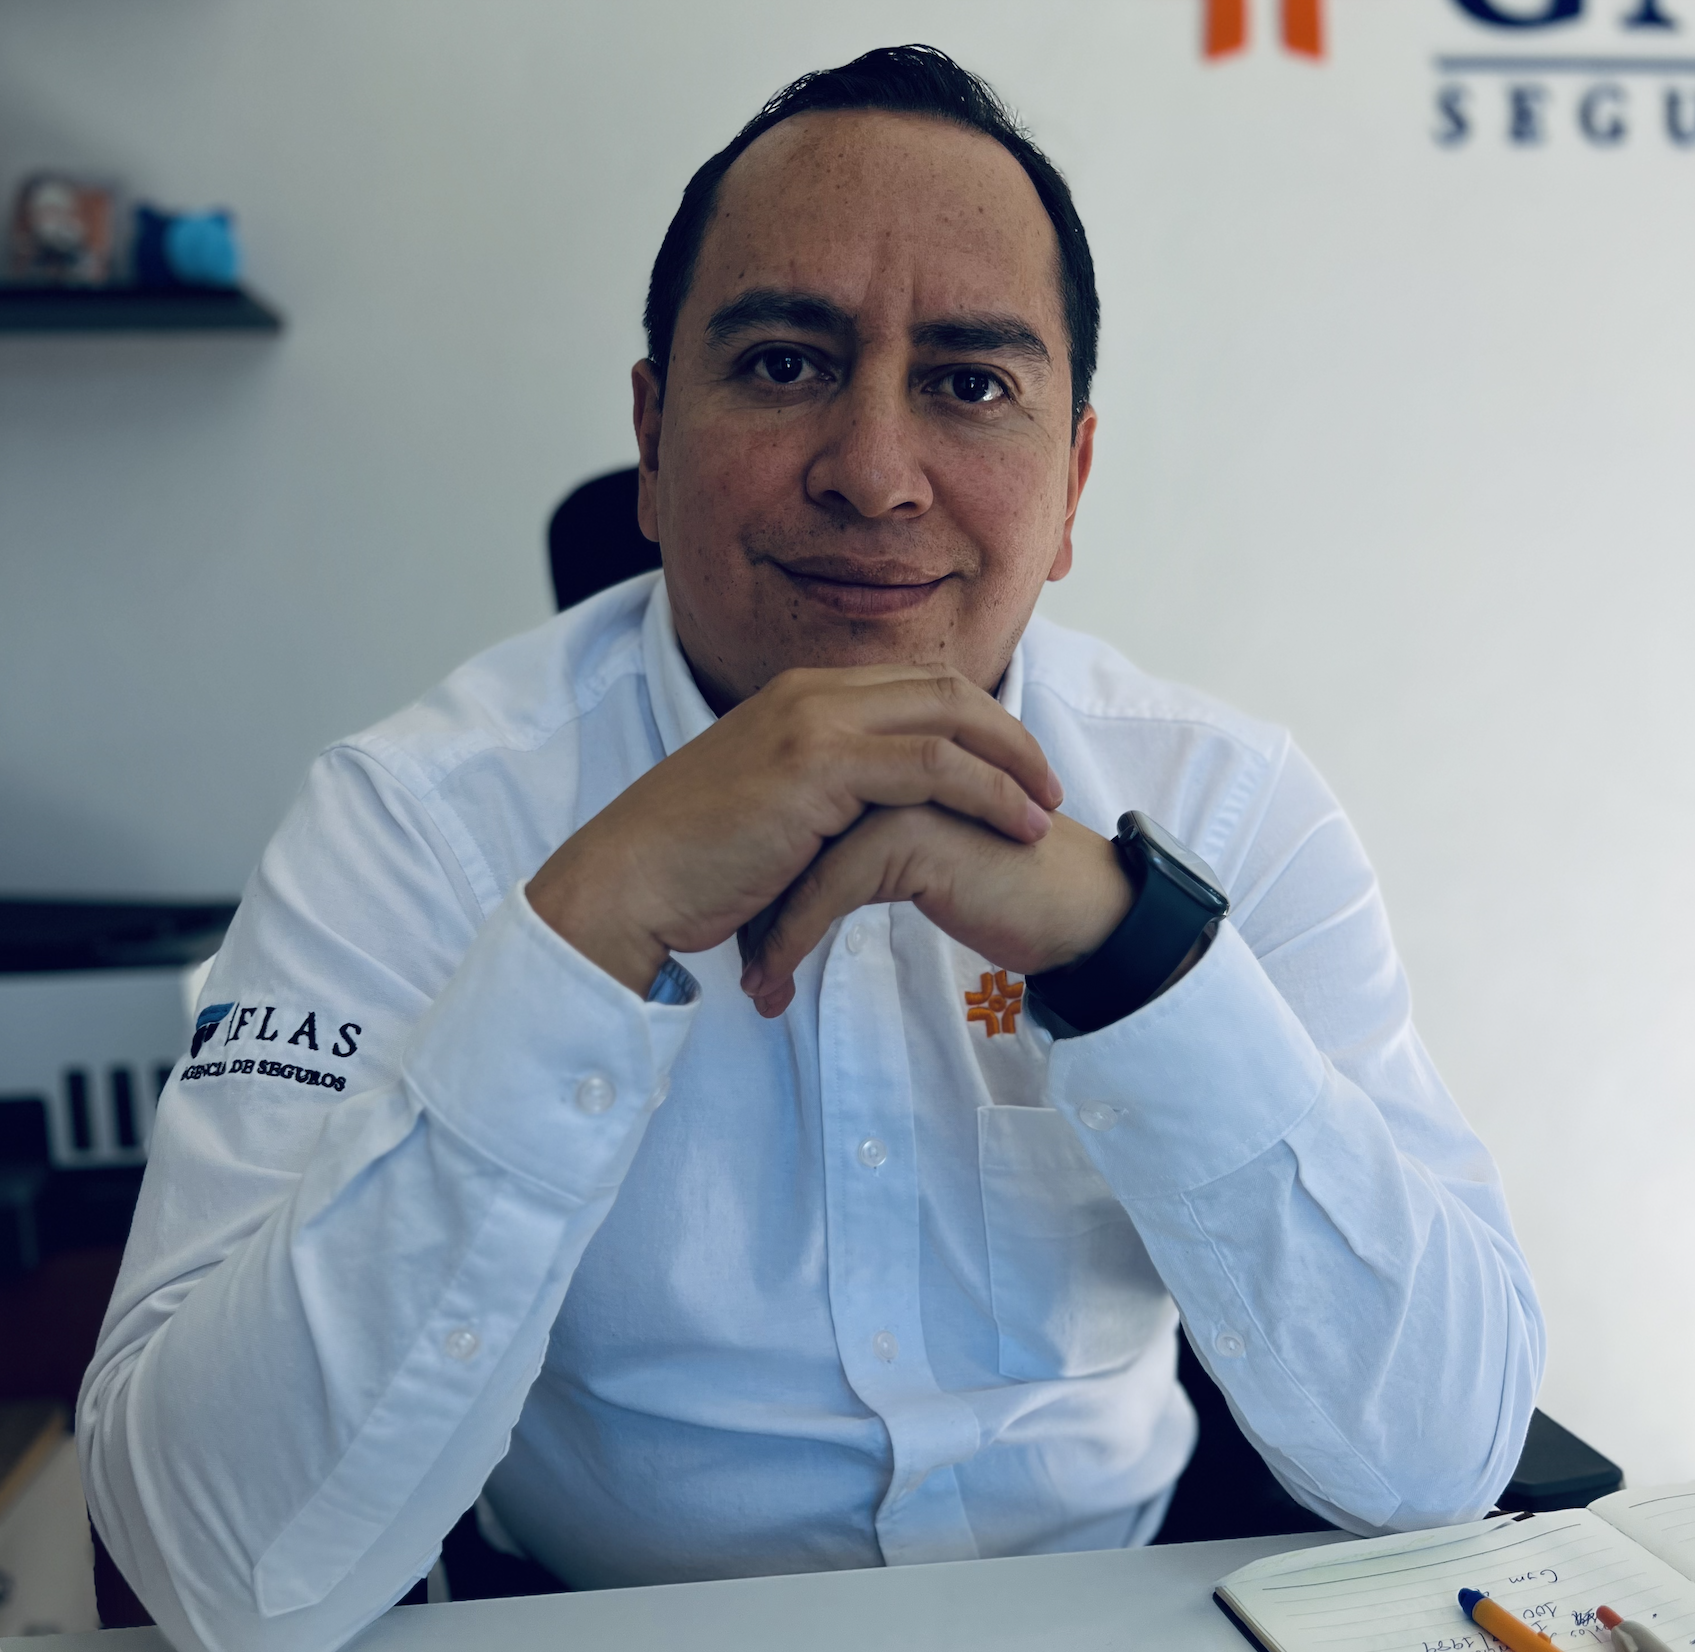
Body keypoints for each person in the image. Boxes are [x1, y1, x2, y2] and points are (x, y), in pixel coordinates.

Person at [79, 44, 1544, 1652]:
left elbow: (1441, 1457)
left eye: (971, 382)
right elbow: (212, 1570)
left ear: (1069, 485)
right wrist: (590, 921)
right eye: (783, 363)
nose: (871, 471)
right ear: (649, 437)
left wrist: (1126, 951)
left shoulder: (1230, 806)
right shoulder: (414, 820)